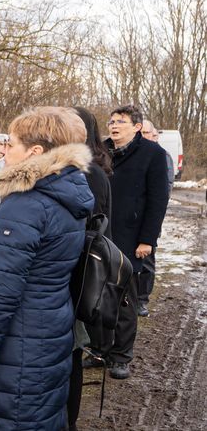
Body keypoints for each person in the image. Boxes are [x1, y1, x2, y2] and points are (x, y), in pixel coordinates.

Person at [0, 107, 93, 431]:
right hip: (47, 330)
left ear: (35, 152)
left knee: (7, 417)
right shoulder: (63, 195)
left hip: (16, 343)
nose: (3, 150)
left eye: (13, 144)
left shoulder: (27, 205)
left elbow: (1, 292)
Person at [102, 104, 170, 378]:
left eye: (120, 121)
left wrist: (147, 239)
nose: (113, 125)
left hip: (131, 238)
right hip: (101, 235)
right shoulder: (102, 151)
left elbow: (157, 201)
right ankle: (101, 350)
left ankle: (120, 356)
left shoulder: (153, 154)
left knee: (125, 300)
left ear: (137, 127)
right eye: (111, 121)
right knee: (99, 297)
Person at [69, 106, 113, 431]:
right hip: (67, 272)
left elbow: (92, 233)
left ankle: (67, 420)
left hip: (78, 274)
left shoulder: (91, 172)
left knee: (71, 351)